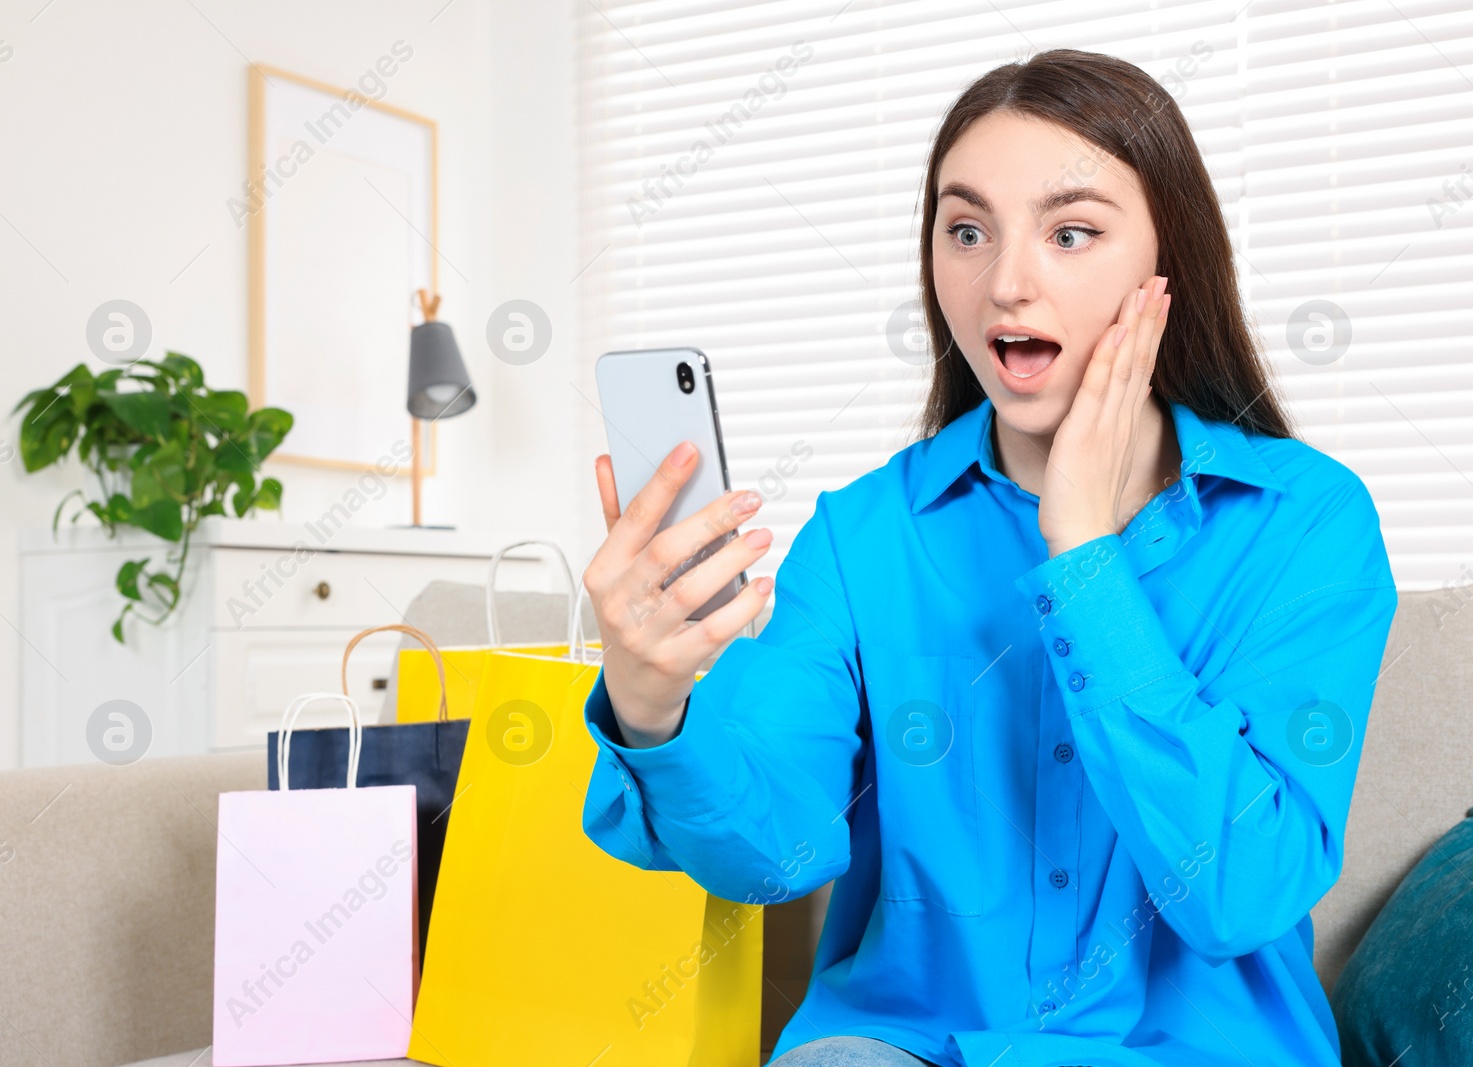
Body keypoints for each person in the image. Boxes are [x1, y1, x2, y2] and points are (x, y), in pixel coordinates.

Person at [578, 48, 1397, 1067]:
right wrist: (652, 709)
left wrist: (1084, 557)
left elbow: (1240, 888)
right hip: (911, 1043)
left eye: (1071, 232)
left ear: (1164, 265)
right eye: (966, 229)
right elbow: (775, 848)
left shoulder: (1303, 519)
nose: (1005, 281)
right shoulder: (865, 531)